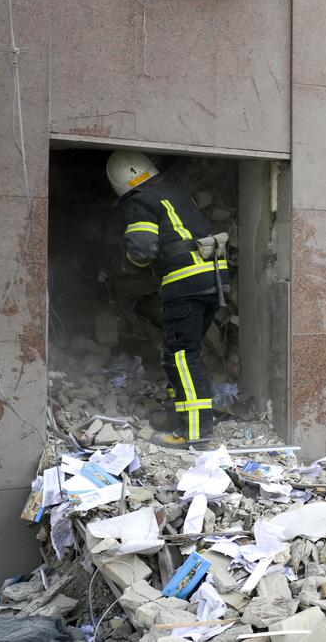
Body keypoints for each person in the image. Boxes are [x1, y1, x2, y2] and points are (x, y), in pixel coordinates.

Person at [108, 151, 229, 447]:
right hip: (213, 280)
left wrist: (127, 265)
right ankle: (177, 416)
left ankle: (196, 431)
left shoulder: (140, 200)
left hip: (185, 282)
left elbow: (143, 249)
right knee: (179, 353)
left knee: (181, 355)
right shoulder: (175, 193)